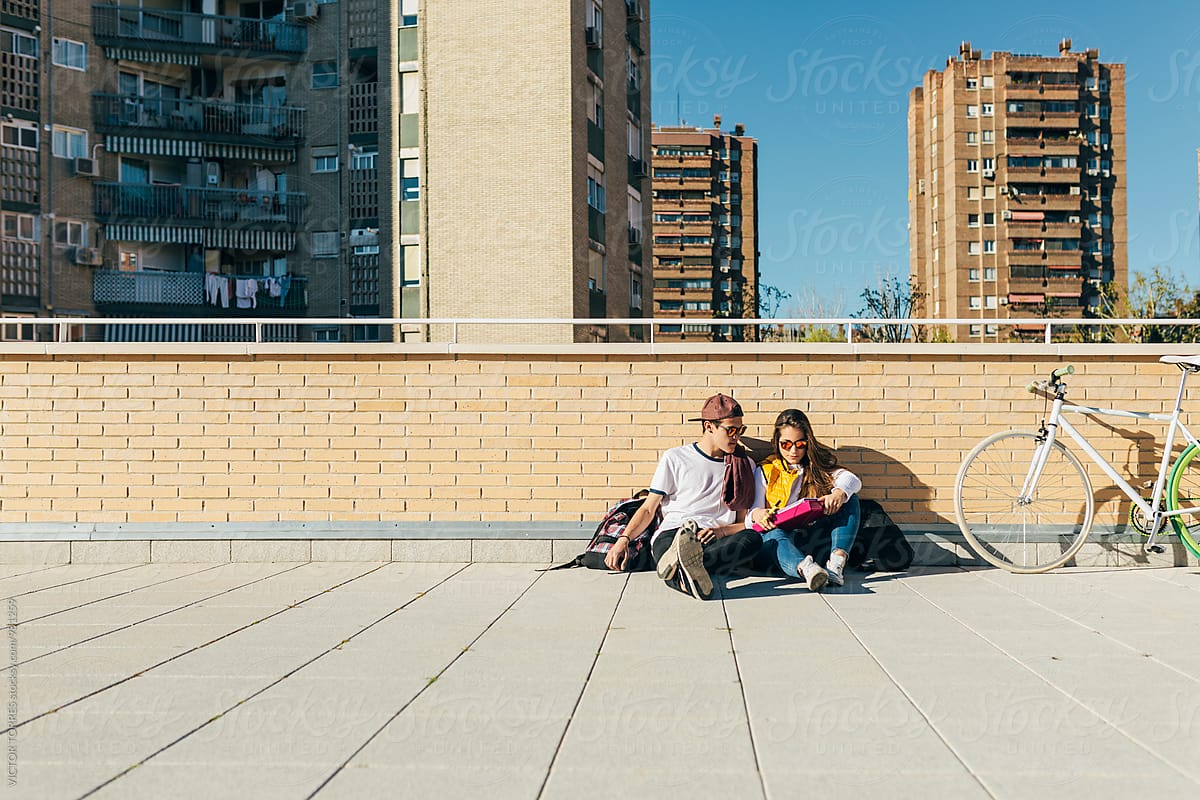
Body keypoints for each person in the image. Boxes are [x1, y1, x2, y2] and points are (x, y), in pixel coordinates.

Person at [604, 393, 763, 600]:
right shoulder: (676, 458)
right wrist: (623, 540)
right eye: (731, 430)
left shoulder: (744, 465)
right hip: (674, 534)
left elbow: (744, 522)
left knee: (752, 539)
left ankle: (683, 568)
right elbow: (648, 508)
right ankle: (691, 571)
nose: (737, 437)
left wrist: (721, 531)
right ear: (709, 427)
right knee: (668, 549)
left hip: (715, 539)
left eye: (740, 430)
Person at [748, 409, 862, 591]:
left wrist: (839, 493)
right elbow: (751, 513)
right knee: (774, 535)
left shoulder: (816, 466)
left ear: (808, 443)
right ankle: (808, 570)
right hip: (780, 542)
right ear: (776, 442)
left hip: (811, 536)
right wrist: (758, 514)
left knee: (850, 498)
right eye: (786, 444)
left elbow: (852, 480)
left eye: (800, 444)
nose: (793, 451)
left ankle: (836, 565)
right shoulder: (765, 470)